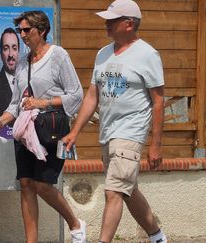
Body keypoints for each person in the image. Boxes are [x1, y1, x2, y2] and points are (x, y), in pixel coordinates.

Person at [62, 1, 167, 242]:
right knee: (127, 191)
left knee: (113, 191)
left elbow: (158, 101)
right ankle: (158, 237)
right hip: (107, 132)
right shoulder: (103, 53)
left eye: (112, 20)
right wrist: (75, 131)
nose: (106, 24)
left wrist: (156, 145)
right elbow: (92, 95)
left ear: (129, 24)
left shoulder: (147, 54)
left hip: (130, 132)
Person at [0, 11, 86, 243]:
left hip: (50, 129)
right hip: (24, 131)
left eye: (26, 30)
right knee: (26, 185)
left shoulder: (58, 55)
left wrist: (43, 102)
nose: (22, 35)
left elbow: (76, 95)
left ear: (41, 31)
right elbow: (15, 104)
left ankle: (75, 223)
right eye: (19, 30)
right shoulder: (23, 63)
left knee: (43, 184)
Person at [0, 27, 20, 120]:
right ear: (1, 53)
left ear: (18, 52)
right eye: (6, 48)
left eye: (14, 48)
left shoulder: (29, 81)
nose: (10, 54)